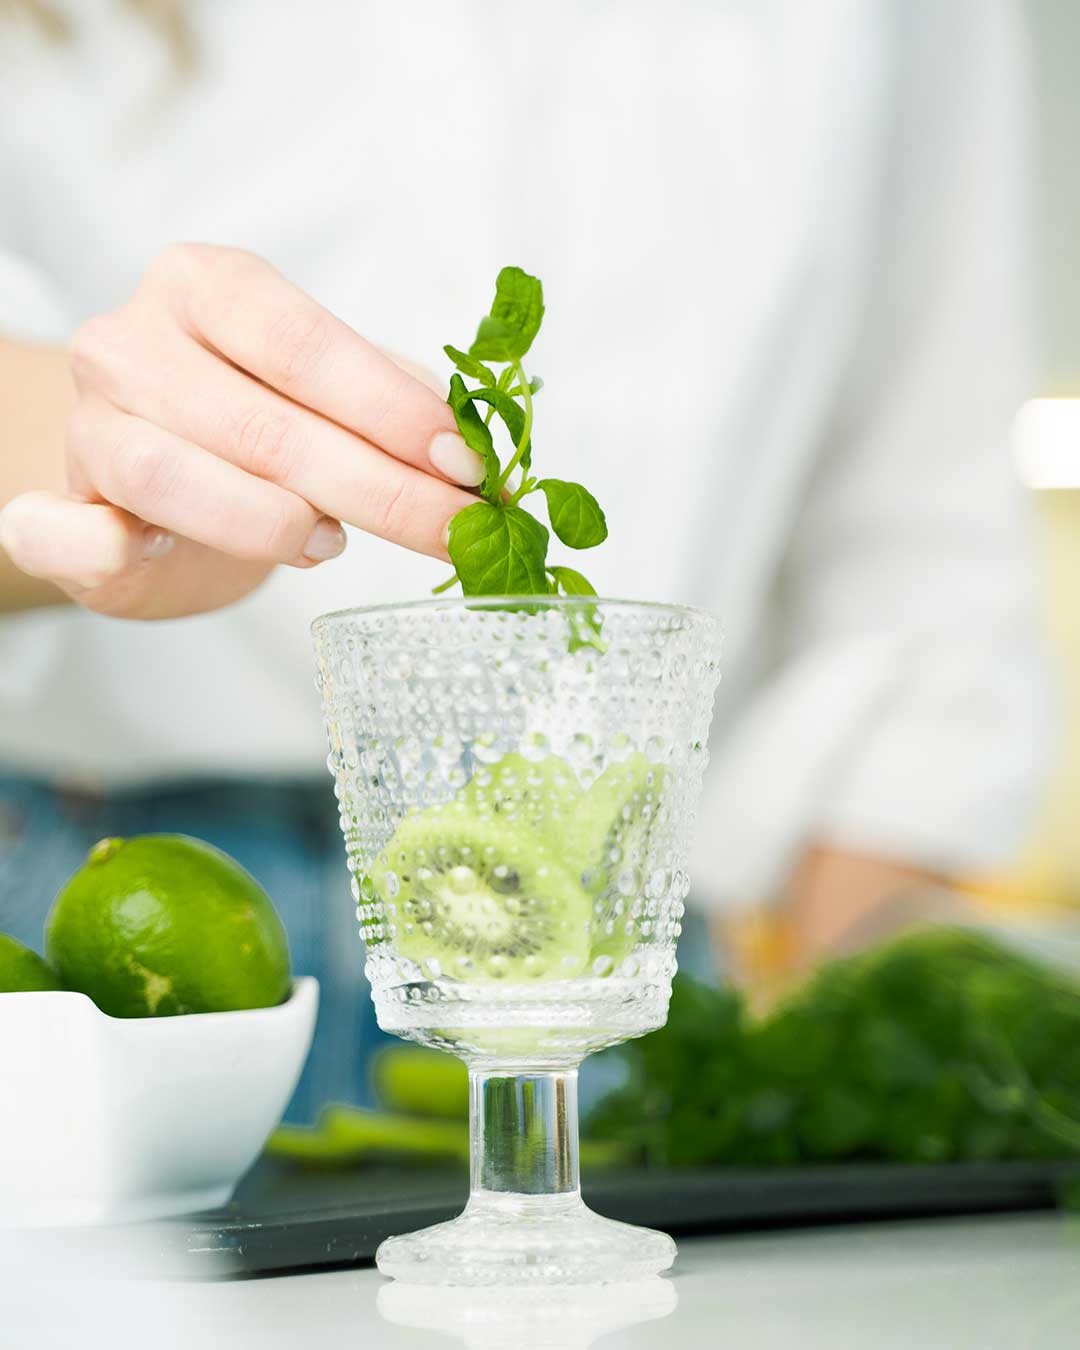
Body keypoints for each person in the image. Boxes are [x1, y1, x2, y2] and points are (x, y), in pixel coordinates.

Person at [0, 0, 1050, 1117]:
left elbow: (923, 533)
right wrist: (104, 467)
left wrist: (840, 1055)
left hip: (619, 929)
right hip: (113, 920)